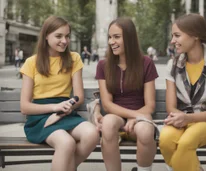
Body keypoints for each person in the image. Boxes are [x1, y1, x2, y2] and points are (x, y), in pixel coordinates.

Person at [19, 16, 99, 171]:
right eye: (59, 36)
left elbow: (79, 96)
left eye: (67, 36)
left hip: (65, 111)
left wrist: (68, 106)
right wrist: (54, 108)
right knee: (66, 142)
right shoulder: (31, 63)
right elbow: (25, 107)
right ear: (46, 36)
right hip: (39, 118)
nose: (64, 41)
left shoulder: (74, 59)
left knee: (92, 134)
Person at [159, 13, 206, 171]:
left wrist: (188, 119)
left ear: (195, 35)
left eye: (177, 35)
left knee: (187, 141)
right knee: (166, 139)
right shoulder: (173, 64)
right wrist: (182, 119)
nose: (172, 41)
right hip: (180, 121)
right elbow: (171, 107)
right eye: (172, 36)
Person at [94, 17, 158, 171]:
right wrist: (132, 115)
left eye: (116, 37)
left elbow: (150, 106)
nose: (111, 42)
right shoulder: (103, 65)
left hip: (141, 117)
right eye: (110, 37)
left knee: (145, 130)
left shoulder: (146, 63)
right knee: (108, 124)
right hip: (117, 116)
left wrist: (135, 117)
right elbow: (108, 105)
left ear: (129, 38)